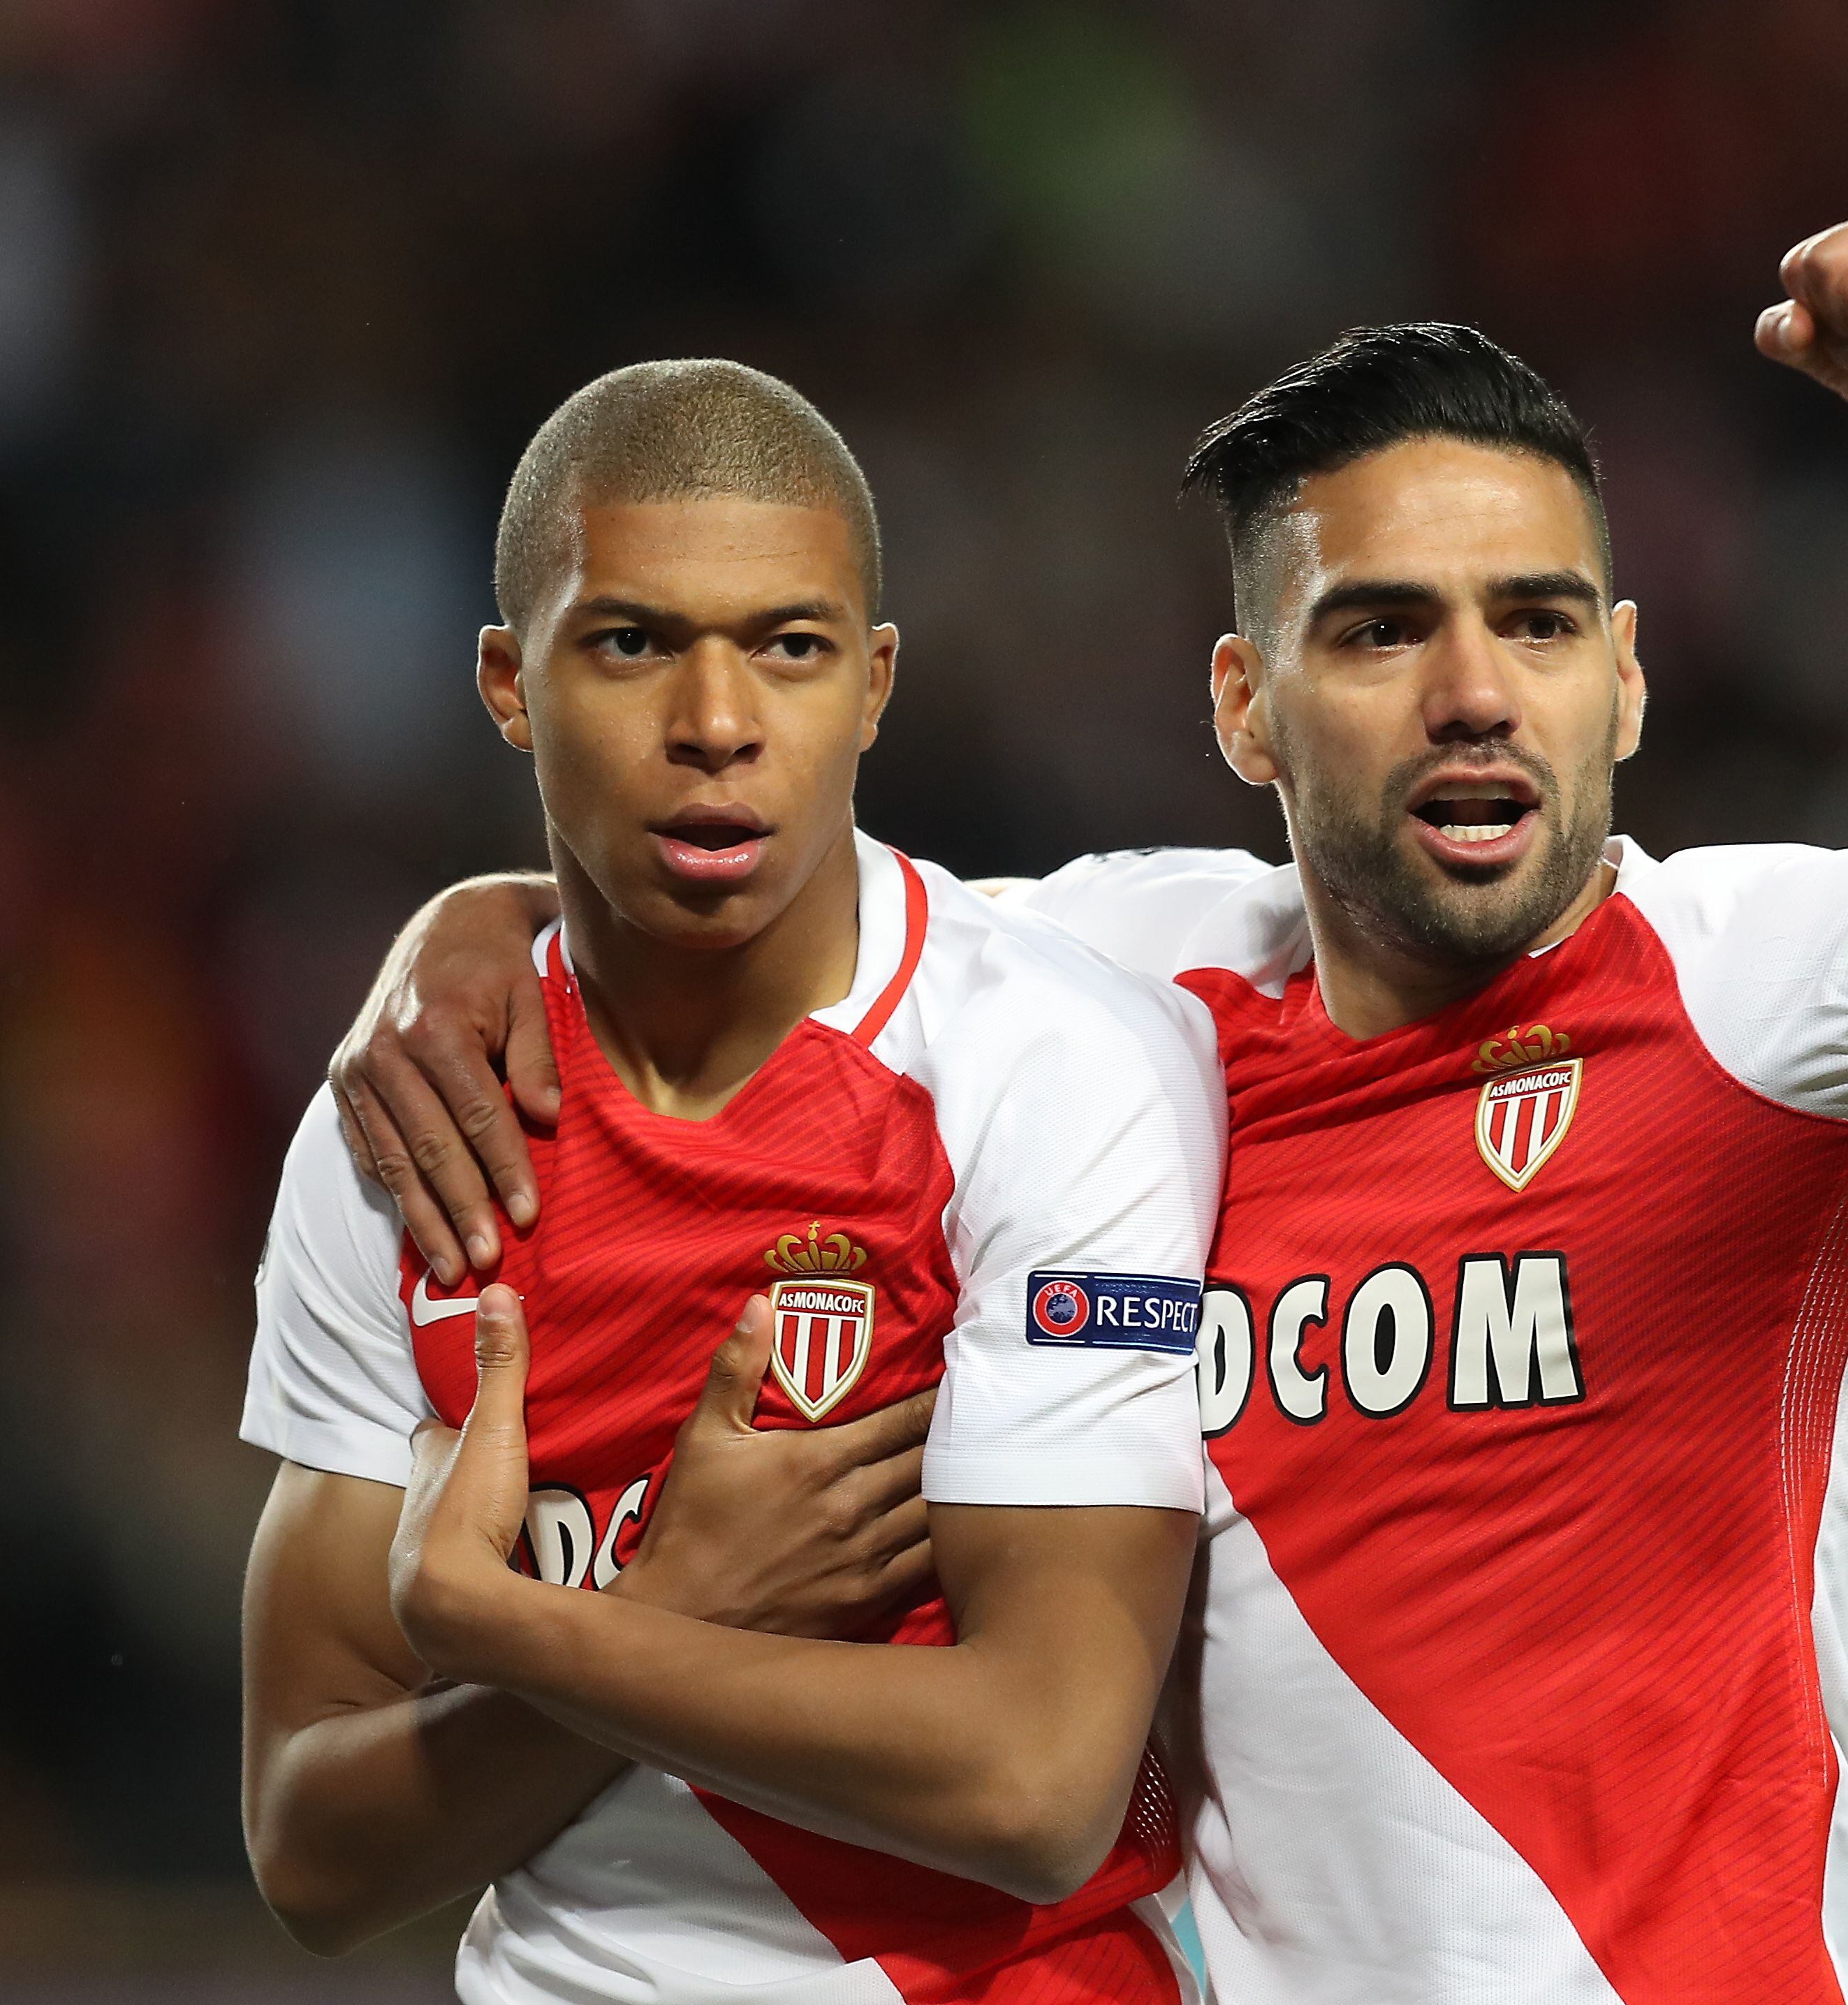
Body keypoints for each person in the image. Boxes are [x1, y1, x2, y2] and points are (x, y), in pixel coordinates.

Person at [333, 203, 1848, 2002]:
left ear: (1623, 682)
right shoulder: (1116, 992)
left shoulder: (1769, 997)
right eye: (1379, 628)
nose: (1474, 691)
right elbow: (739, 904)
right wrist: (480, 924)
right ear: (1241, 706)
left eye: (1536, 621)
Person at [239, 358, 1229, 2003]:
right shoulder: (413, 1124)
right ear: (508, 681)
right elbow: (310, 1850)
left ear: (874, 681)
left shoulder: (1044, 1066)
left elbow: (1039, 1784)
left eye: (789, 645)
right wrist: (681, 1598)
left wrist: (528, 1626)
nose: (715, 722)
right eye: (632, 643)